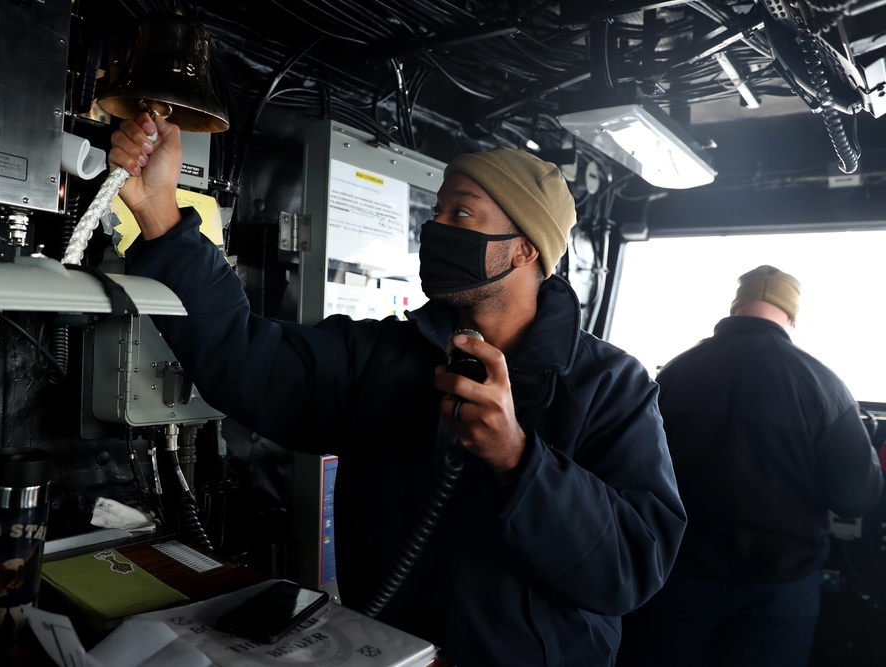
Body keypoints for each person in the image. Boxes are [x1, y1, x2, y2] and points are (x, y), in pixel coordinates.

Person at [109, 111, 686, 667]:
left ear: (526, 247)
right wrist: (158, 210)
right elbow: (244, 358)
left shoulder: (613, 386)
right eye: (436, 212)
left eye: (462, 214)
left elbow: (632, 567)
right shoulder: (383, 354)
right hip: (390, 656)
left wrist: (516, 456)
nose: (436, 229)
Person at [617, 265, 884, 667]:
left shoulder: (671, 373)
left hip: (674, 578)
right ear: (791, 316)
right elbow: (856, 498)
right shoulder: (822, 385)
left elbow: (629, 471)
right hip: (778, 590)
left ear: (736, 307)